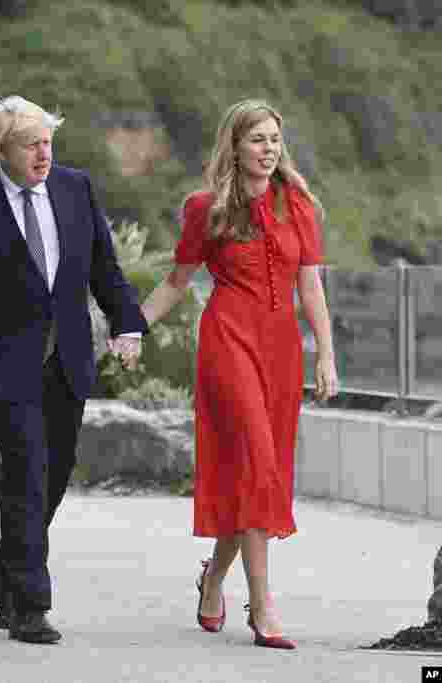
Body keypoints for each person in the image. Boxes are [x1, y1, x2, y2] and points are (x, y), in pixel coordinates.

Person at [0, 96, 148, 644]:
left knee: (53, 477)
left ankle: (7, 573)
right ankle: (30, 606)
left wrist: (126, 323)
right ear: (0, 149)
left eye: (48, 142)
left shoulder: (74, 188)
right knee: (27, 470)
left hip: (67, 359)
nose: (44, 153)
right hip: (3, 362)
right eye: (30, 144)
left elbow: (103, 266)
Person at [141, 99, 339, 650]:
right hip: (228, 342)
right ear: (235, 145)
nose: (269, 148)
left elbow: (311, 287)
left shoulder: (297, 203)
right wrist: (131, 328)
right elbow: (177, 282)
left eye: (275, 138)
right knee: (255, 460)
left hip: (280, 350)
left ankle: (214, 577)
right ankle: (264, 605)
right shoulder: (207, 207)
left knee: (259, 473)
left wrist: (325, 354)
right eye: (258, 139)